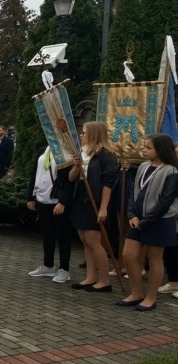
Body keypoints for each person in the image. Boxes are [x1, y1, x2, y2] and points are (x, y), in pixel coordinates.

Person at [117, 134, 178, 311]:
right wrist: (131, 215)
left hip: (159, 221)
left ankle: (151, 298)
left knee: (154, 259)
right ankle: (136, 293)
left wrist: (146, 221)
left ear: (161, 149)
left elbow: (166, 200)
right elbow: (133, 192)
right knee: (128, 255)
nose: (144, 150)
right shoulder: (143, 167)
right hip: (137, 220)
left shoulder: (171, 171)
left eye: (148, 148)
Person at [69, 121, 117, 293]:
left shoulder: (106, 156)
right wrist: (77, 165)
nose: (81, 135)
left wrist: (103, 208)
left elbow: (108, 184)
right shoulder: (82, 153)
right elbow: (71, 178)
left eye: (84, 132)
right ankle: (90, 277)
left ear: (95, 134)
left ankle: (104, 280)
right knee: (85, 241)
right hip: (81, 197)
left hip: (94, 200)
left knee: (94, 241)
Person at [26, 146, 74, 284]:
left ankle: (64, 269)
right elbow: (35, 172)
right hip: (42, 199)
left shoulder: (65, 151)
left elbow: (69, 181)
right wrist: (30, 196)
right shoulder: (43, 150)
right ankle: (48, 265)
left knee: (62, 235)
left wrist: (63, 201)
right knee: (47, 234)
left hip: (57, 201)